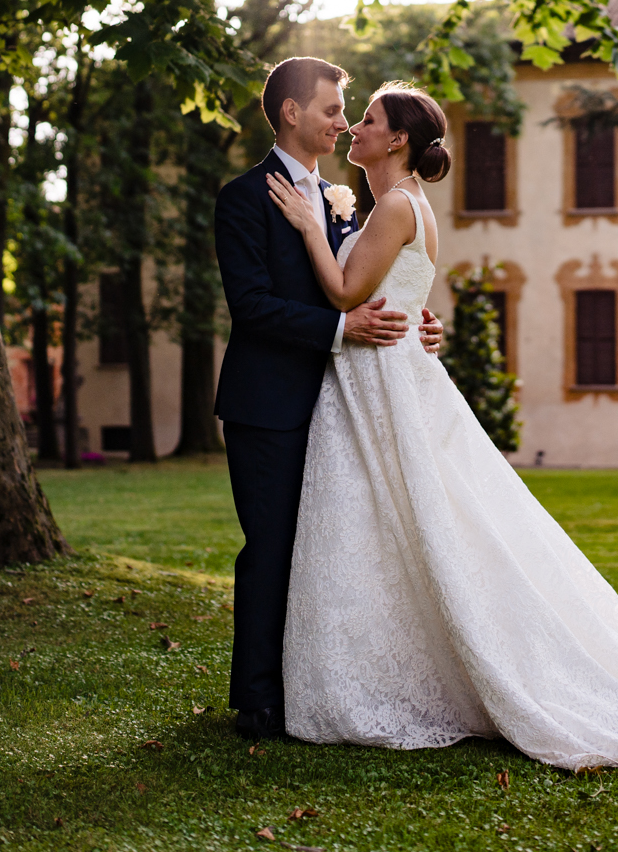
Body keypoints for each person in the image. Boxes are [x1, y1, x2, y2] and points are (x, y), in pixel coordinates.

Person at [266, 81, 618, 769]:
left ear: (398, 139)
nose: (355, 130)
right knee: (400, 524)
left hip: (381, 380)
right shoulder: (408, 207)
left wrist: (313, 229)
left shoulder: (394, 208)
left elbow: (349, 294)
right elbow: (393, 295)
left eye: (369, 120)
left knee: (403, 520)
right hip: (386, 377)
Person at [211, 58, 446, 742]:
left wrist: (413, 319)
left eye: (351, 112)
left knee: (328, 549)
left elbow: (360, 279)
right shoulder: (244, 197)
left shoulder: (343, 197)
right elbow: (252, 307)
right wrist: (344, 326)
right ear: (291, 113)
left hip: (341, 404)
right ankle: (258, 699)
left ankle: (310, 681)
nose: (343, 122)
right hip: (270, 400)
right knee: (273, 546)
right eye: (332, 109)